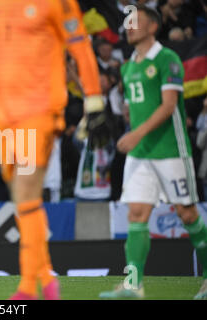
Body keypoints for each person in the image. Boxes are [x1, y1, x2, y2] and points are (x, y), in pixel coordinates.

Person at [0, 0, 110, 300]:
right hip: (4, 113)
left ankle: (28, 288)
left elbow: (80, 46)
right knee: (21, 199)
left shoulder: (59, 3)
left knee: (27, 192)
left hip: (39, 108)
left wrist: (93, 99)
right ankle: (47, 279)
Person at [99, 5, 207, 300]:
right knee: (136, 214)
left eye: (136, 22)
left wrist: (135, 133)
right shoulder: (129, 65)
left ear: (152, 27)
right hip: (142, 153)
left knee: (187, 214)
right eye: (128, 22)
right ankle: (133, 284)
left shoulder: (167, 58)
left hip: (171, 150)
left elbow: (169, 105)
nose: (129, 26)